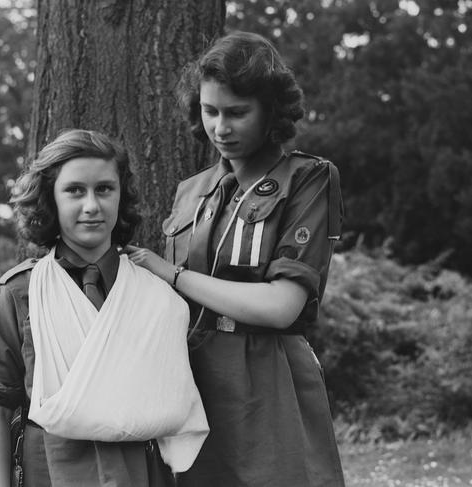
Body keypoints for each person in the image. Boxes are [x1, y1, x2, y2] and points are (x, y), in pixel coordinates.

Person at [126, 31, 346, 486]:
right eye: (210, 111)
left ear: (270, 111)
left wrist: (172, 274)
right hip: (190, 379)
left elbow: (281, 306)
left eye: (237, 113)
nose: (220, 128)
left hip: (266, 378)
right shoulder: (191, 191)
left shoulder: (308, 179)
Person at [0, 129, 208, 487]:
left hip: (141, 471)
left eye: (104, 189)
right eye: (74, 191)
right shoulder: (19, 293)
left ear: (120, 195)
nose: (91, 206)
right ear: (50, 199)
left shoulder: (156, 293)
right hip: (50, 471)